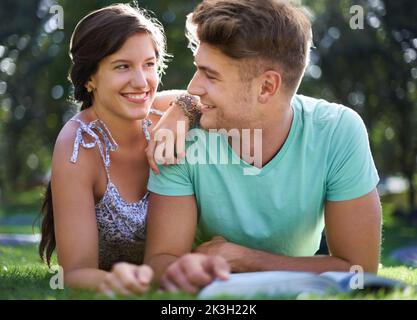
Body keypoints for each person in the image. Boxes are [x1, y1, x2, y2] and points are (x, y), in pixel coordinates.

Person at [144, 0, 382, 294]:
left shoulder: (337, 131)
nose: (193, 87)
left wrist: (242, 259)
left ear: (267, 87)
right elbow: (159, 262)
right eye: (198, 69)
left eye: (211, 75)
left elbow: (359, 269)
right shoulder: (183, 134)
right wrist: (182, 270)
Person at [38, 3, 200, 295]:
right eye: (122, 66)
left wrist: (183, 109)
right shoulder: (77, 146)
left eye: (149, 64)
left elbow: (206, 98)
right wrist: (114, 281)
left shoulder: (162, 110)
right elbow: (75, 272)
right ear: (90, 78)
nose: (141, 82)